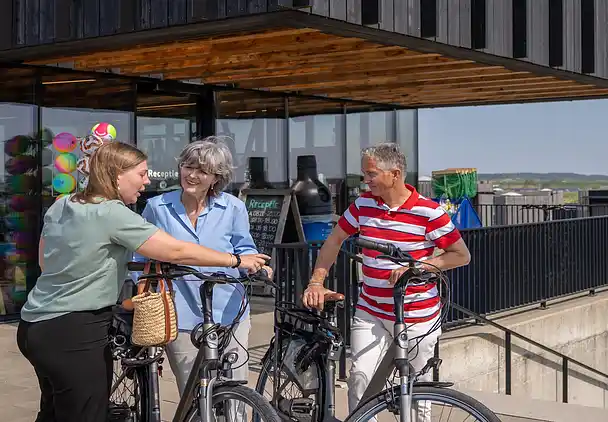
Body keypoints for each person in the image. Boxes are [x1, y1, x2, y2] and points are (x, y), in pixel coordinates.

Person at [16, 141, 270, 422]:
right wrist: (234, 261)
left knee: (52, 412)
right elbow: (175, 250)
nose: (147, 181)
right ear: (117, 175)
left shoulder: (62, 204)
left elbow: (44, 262)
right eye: (142, 173)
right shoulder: (114, 213)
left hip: (35, 327)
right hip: (76, 330)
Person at [301, 142, 471, 417]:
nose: (365, 181)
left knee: (416, 392)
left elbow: (461, 255)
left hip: (418, 315)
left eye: (371, 174)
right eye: (365, 175)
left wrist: (419, 267)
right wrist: (316, 282)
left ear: (395, 173)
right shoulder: (362, 206)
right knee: (360, 379)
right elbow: (333, 241)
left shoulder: (429, 213)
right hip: (372, 311)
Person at [132, 136, 260, 395]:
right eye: (188, 166)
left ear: (216, 177)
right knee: (193, 392)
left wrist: (254, 264)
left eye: (202, 170)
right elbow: (139, 257)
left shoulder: (233, 207)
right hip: (179, 313)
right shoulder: (158, 208)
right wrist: (147, 292)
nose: (192, 175)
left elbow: (244, 249)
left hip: (230, 311)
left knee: (234, 391)